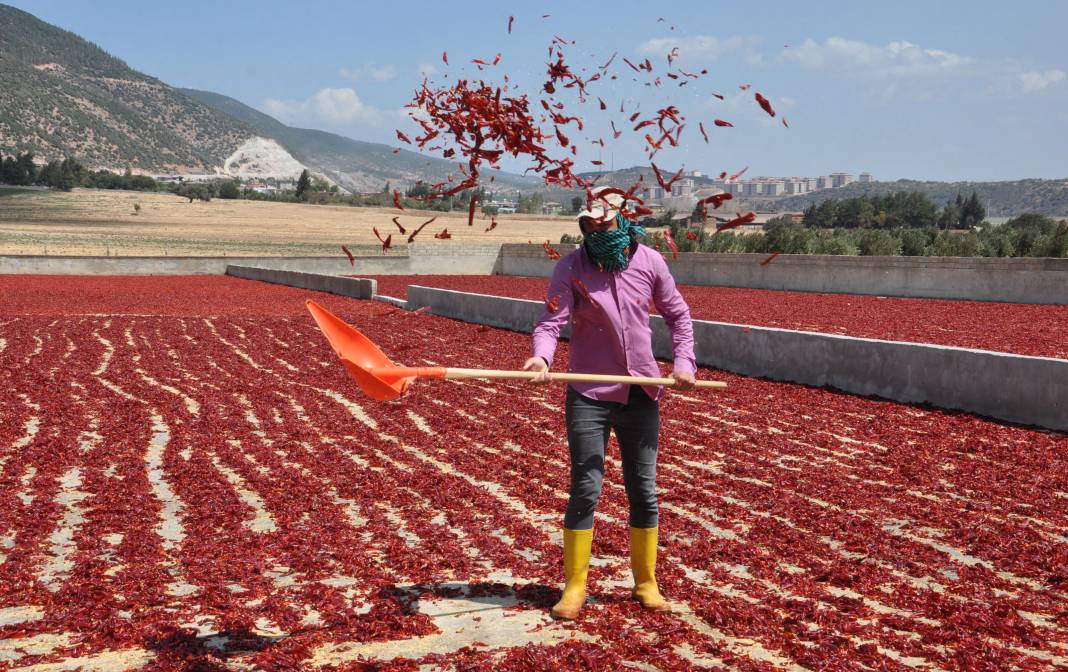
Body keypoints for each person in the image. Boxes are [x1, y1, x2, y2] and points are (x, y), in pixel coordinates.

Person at [523, 188, 696, 620]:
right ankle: (575, 586)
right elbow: (551, 319)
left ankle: (645, 583)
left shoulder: (651, 262)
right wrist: (541, 356)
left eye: (603, 220)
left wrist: (684, 361)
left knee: (644, 489)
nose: (596, 227)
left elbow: (679, 315)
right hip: (589, 392)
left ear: (620, 217)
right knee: (586, 486)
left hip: (642, 392)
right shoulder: (571, 266)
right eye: (589, 221)